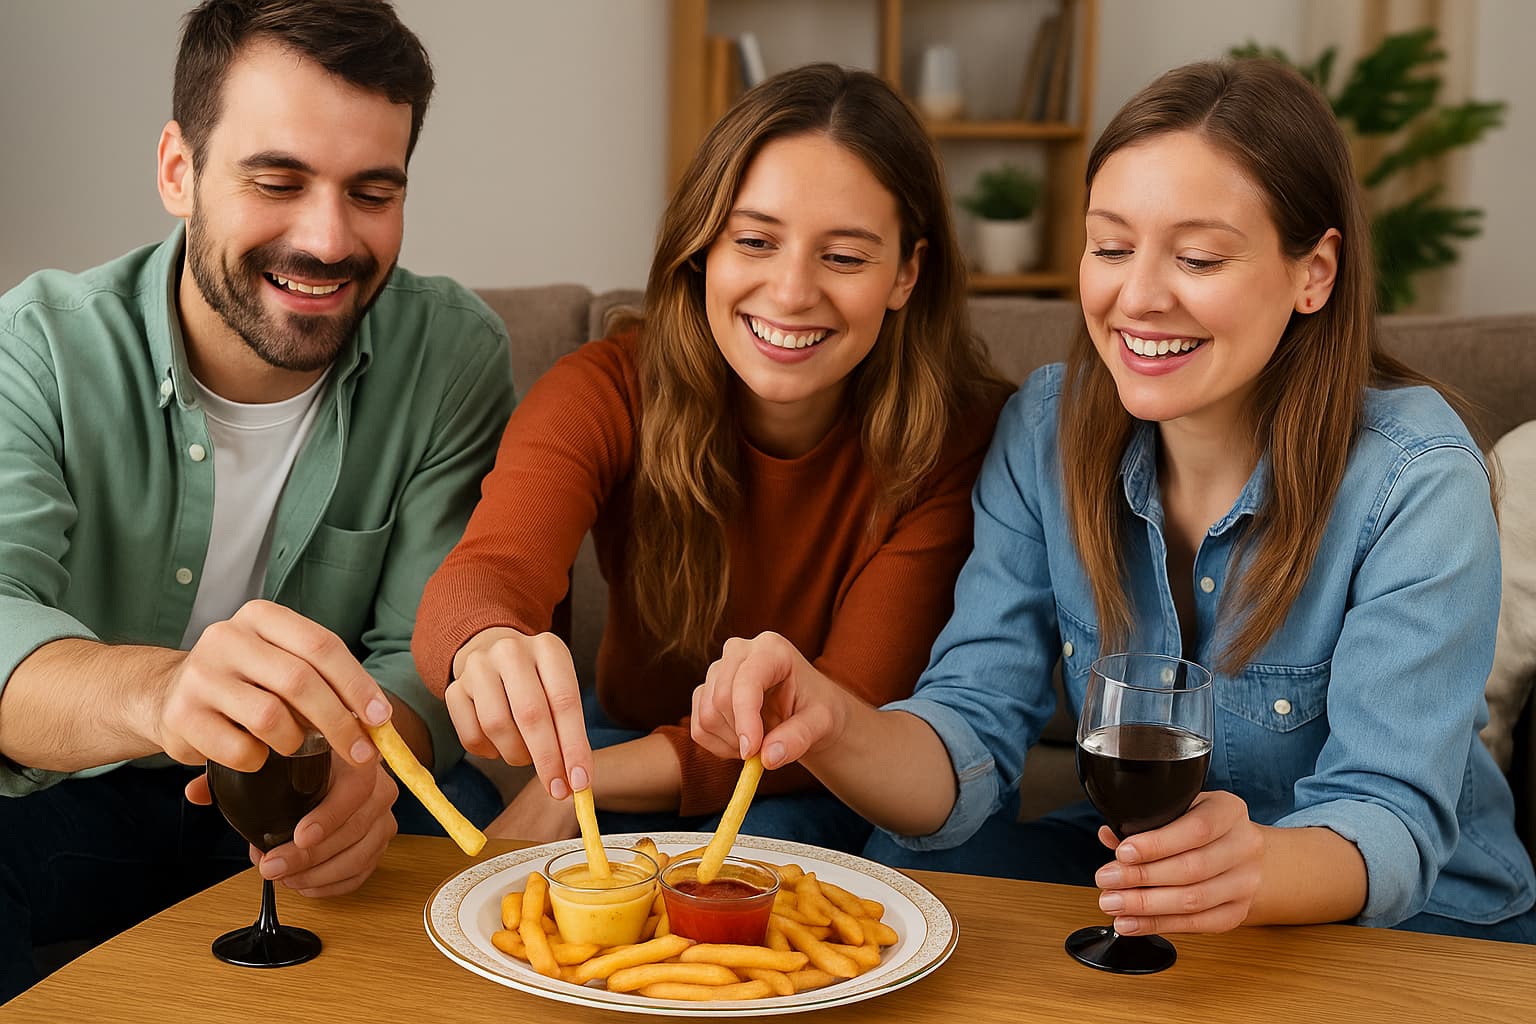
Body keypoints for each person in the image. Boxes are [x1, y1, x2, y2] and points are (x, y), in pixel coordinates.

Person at [689, 59, 1536, 943]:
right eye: (1111, 246)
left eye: (1200, 257)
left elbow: (1390, 817)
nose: (1138, 297)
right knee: (907, 886)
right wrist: (829, 722)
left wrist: (1252, 866)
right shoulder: (1047, 431)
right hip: (1138, 881)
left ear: (1314, 272)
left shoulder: (1412, 476)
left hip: (1411, 923)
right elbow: (969, 733)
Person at [0, 0, 513, 1002]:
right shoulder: (42, 346)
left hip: (321, 790)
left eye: (373, 192)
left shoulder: (452, 355)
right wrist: (161, 693)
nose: (327, 239)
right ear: (178, 169)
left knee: (449, 814)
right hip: (80, 797)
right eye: (277, 181)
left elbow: (421, 652)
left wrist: (372, 763)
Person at [412, 63, 1009, 851]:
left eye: (845, 257)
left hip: (800, 782)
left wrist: (573, 790)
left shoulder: (960, 435)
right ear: (703, 250)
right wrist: (486, 644)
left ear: (906, 273)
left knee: (783, 842)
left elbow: (846, 713)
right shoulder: (607, 387)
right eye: (755, 241)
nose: (791, 292)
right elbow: (487, 572)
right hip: (611, 744)